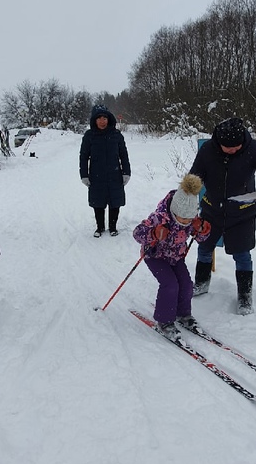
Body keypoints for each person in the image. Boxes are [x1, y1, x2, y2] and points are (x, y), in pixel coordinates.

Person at [189, 116, 256, 313]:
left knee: (242, 254)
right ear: (219, 142)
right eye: (228, 147)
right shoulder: (208, 150)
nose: (233, 150)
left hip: (242, 213)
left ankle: (244, 296)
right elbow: (195, 174)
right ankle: (201, 283)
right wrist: (189, 190)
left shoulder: (251, 148)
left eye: (237, 146)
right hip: (211, 210)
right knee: (204, 248)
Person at [133, 173, 211, 341]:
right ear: (175, 210)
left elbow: (200, 238)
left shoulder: (190, 219)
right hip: (154, 256)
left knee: (187, 284)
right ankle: (164, 321)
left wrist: (202, 230)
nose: (185, 222)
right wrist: (154, 232)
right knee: (170, 285)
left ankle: (183, 314)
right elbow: (138, 233)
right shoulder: (160, 218)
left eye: (189, 218)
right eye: (182, 218)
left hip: (176, 257)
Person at [79, 105, 131, 236]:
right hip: (96, 175)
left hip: (115, 174)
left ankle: (113, 227)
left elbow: (123, 155)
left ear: (109, 119)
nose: (102, 121)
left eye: (105, 118)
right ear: (94, 120)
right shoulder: (89, 136)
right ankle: (100, 227)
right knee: (98, 202)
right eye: (99, 118)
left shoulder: (116, 135)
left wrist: (126, 172)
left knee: (115, 201)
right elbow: (84, 156)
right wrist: (84, 175)